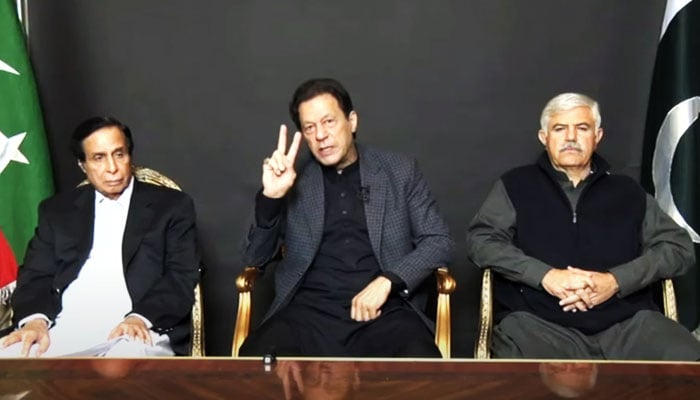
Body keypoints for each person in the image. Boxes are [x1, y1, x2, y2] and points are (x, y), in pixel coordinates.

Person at [466, 92, 700, 360]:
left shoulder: (627, 192)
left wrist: (615, 281)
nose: (570, 138)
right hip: (539, 322)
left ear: (597, 137)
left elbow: (678, 248)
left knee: (688, 363)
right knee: (523, 365)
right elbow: (481, 241)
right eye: (559, 128)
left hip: (626, 323)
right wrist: (546, 276)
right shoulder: (516, 185)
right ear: (544, 138)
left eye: (582, 128)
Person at [239, 78, 453, 357]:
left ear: (352, 121)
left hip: (383, 310)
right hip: (307, 313)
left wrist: (388, 281)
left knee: (420, 367)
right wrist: (271, 197)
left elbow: (440, 242)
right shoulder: (293, 178)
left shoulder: (399, 172)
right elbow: (253, 258)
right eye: (309, 127)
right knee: (255, 365)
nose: (320, 135)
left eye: (329, 122)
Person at [0, 116, 199, 357]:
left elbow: (180, 275)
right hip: (62, 326)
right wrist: (35, 321)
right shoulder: (57, 210)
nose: (112, 168)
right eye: (98, 158)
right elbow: (35, 274)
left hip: (139, 329)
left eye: (119, 154)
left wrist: (140, 318)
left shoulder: (171, 206)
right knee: (8, 359)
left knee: (123, 367)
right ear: (82, 165)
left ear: (130, 156)